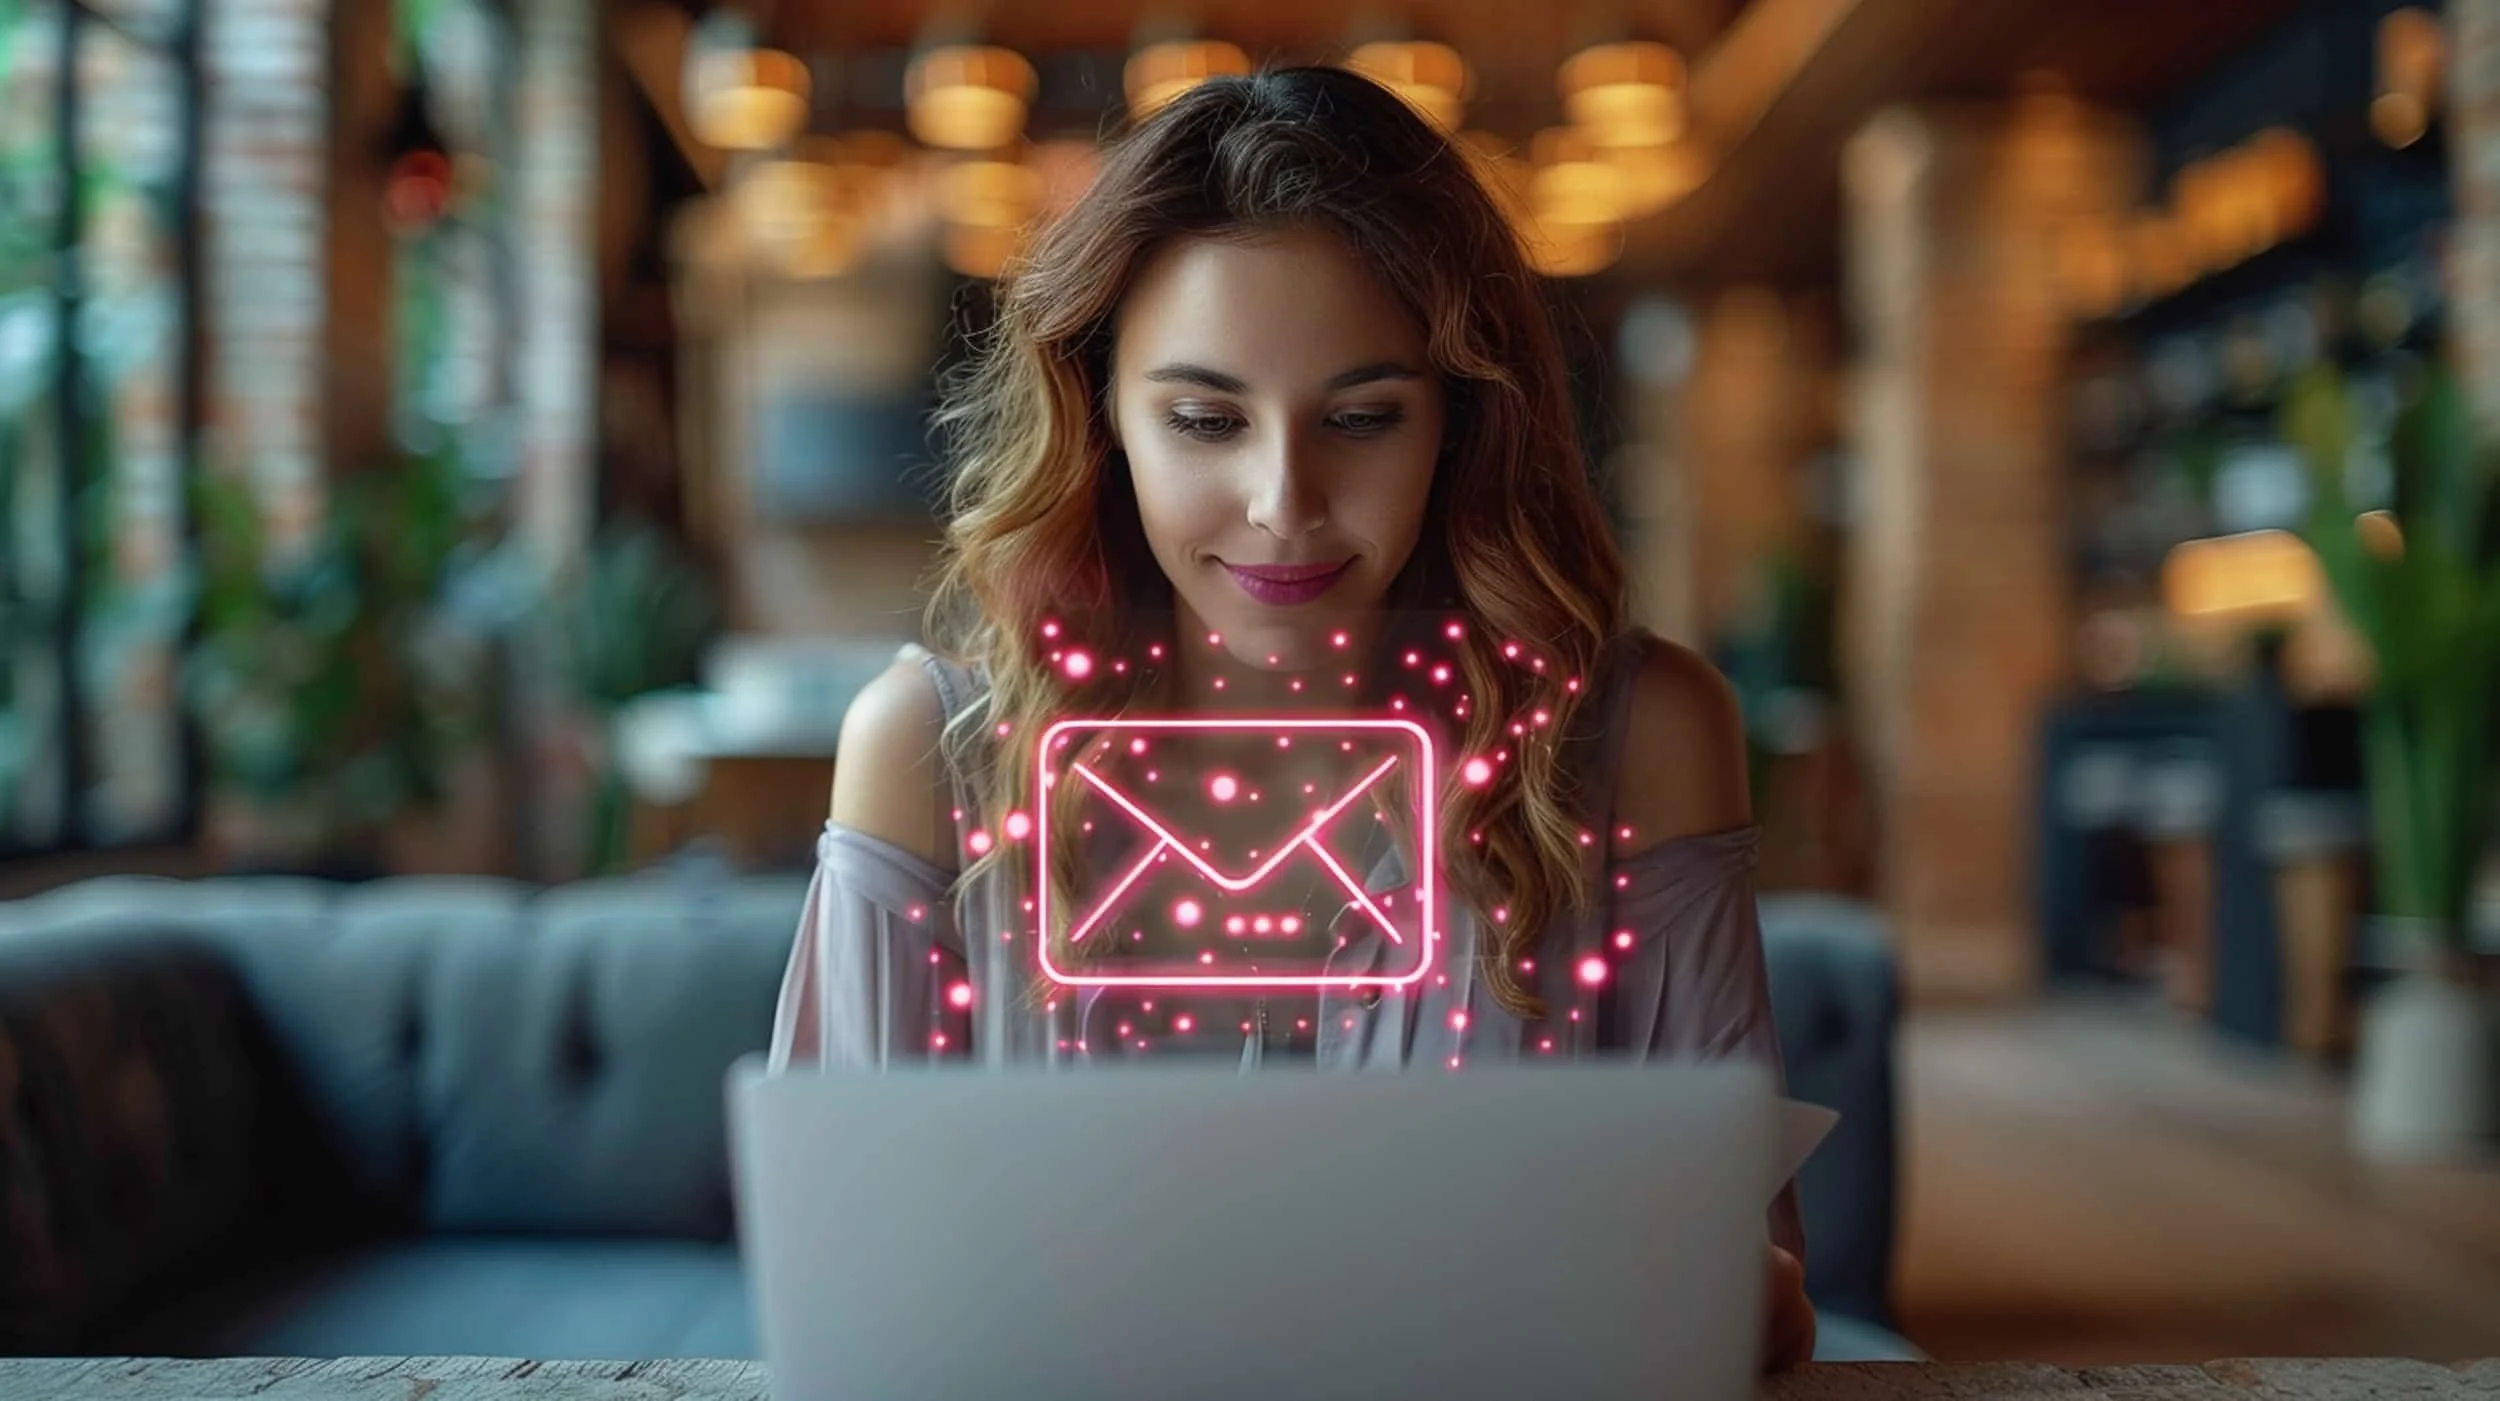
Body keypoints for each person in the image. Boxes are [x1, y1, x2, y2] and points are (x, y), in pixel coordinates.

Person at [769, 66, 1818, 1373]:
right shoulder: (930, 759)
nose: (1283, 500)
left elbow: (1767, 1301)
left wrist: (1703, 1283)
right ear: (1101, 420)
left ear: (1459, 426)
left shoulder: (1636, 738)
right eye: (1206, 419)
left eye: (1363, 418)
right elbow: (848, 1297)